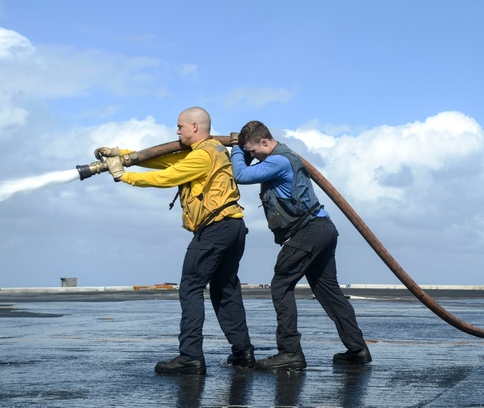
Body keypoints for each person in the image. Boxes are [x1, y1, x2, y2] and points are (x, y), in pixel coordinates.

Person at [97, 107, 255, 375]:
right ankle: (243, 353)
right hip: (233, 227)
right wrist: (122, 155)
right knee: (225, 289)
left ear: (195, 126)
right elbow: (163, 161)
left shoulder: (203, 155)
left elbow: (167, 176)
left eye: (180, 126)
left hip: (215, 228)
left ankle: (190, 357)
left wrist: (123, 176)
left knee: (191, 287)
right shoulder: (211, 150)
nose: (177, 130)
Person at [230, 120, 371, 370]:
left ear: (265, 142)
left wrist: (237, 151)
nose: (252, 156)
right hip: (322, 229)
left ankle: (290, 352)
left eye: (253, 151)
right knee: (329, 292)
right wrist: (244, 148)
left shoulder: (279, 160)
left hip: (309, 232)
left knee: (281, 284)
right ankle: (357, 349)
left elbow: (240, 175)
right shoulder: (282, 156)